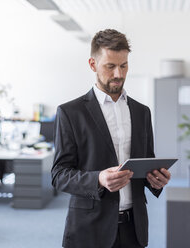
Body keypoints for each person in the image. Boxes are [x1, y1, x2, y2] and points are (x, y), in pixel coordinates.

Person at [51, 29, 171, 248]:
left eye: (124, 65)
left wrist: (156, 180)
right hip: (89, 230)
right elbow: (59, 174)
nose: (119, 74)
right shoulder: (70, 113)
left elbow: (145, 162)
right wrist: (98, 179)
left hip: (133, 229)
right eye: (110, 66)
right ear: (92, 64)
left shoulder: (141, 112)